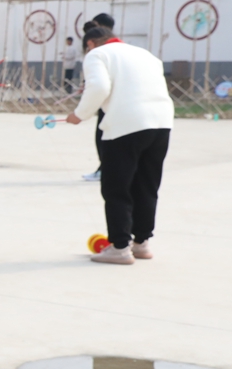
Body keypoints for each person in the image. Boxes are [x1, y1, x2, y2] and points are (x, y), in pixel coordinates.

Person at [65, 20, 173, 264]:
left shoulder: (97, 55)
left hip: (126, 125)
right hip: (161, 123)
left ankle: (120, 246)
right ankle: (142, 243)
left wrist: (80, 114)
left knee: (117, 186)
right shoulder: (145, 54)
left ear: (90, 44)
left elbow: (99, 87)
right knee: (147, 184)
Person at [80, 13, 114, 182]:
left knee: (104, 136)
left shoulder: (99, 52)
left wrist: (80, 114)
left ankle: (106, 169)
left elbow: (100, 86)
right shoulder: (121, 50)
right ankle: (106, 168)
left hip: (110, 102)